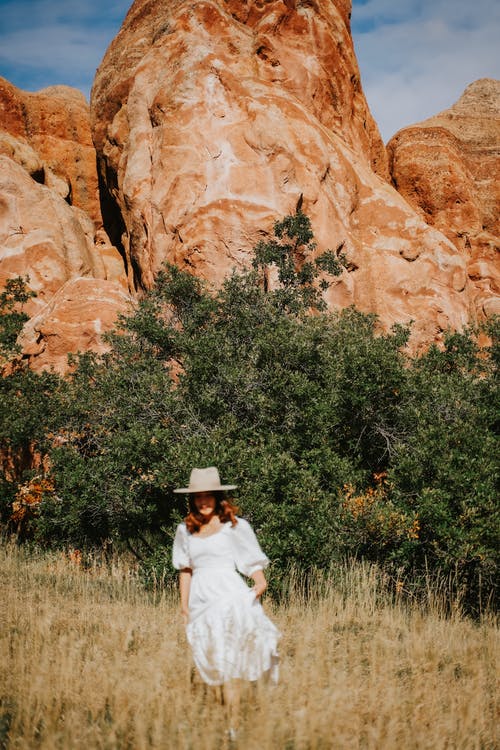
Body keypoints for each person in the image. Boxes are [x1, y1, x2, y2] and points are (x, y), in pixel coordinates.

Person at [172, 466, 280, 726]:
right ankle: (225, 714)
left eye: (208, 495)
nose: (204, 501)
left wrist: (259, 581)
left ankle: (233, 725)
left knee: (230, 660)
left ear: (218, 497)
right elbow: (185, 570)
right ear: (192, 499)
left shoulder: (235, 526)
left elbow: (249, 559)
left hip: (229, 596)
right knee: (211, 662)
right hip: (201, 602)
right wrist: (185, 609)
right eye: (198, 496)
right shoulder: (185, 530)